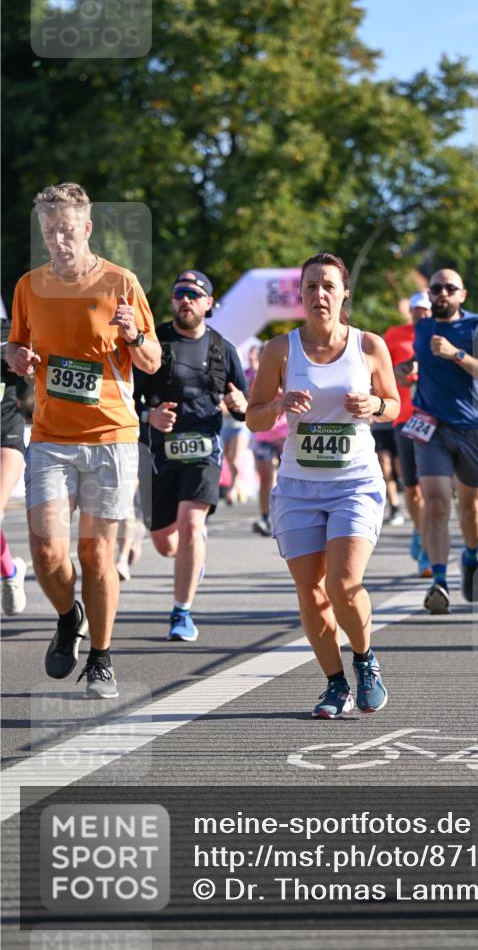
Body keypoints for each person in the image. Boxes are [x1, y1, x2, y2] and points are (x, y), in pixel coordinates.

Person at [7, 182, 160, 697]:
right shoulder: (29, 286)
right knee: (47, 552)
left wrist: (133, 335)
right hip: (50, 437)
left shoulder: (121, 282)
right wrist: (16, 357)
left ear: (87, 228)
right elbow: (17, 346)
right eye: (49, 231)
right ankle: (68, 615)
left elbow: (152, 360)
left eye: (67, 230)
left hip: (111, 437)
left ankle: (101, 656)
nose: (58, 240)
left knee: (96, 553)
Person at [246, 252, 400, 719]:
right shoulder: (280, 350)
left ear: (344, 293)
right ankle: (335, 685)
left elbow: (395, 405)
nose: (319, 295)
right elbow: (252, 418)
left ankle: (365, 659)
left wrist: (373, 403)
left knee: (343, 581)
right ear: (301, 294)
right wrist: (278, 404)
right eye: (311, 286)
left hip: (354, 481)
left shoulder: (369, 346)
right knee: (311, 592)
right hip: (297, 485)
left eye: (328, 286)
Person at [134, 270, 248, 641]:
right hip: (159, 455)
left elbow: (247, 404)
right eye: (179, 293)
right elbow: (126, 400)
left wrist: (239, 403)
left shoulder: (223, 349)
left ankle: (181, 613)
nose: (185, 300)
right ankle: (191, 557)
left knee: (191, 526)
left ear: (208, 303)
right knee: (166, 543)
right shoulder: (154, 343)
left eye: (194, 294)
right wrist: (149, 416)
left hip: (204, 450)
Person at [396, 268, 478, 614]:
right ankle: (438, 582)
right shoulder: (423, 328)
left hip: (473, 427)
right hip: (432, 428)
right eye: (436, 288)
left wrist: (457, 354)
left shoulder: (477, 326)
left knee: (470, 507)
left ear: (462, 295)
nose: (442, 293)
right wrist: (408, 368)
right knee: (437, 502)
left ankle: (470, 557)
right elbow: (423, 363)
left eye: (449, 288)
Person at [384, 292, 432, 575]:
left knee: (431, 486)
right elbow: (380, 368)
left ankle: (427, 546)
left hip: (434, 419)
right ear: (410, 311)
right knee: (412, 488)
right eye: (417, 310)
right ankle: (419, 528)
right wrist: (397, 374)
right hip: (404, 417)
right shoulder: (395, 335)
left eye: (426, 310)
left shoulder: (441, 336)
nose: (421, 314)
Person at [245, 344, 289, 537]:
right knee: (266, 476)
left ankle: (287, 516)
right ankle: (264, 517)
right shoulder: (254, 379)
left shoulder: (288, 375)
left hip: (285, 434)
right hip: (263, 435)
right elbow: (251, 406)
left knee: (287, 479)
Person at [1, 319, 28, 614]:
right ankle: (9, 572)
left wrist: (28, 364)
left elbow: (32, 369)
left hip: (4, 436)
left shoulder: (9, 332)